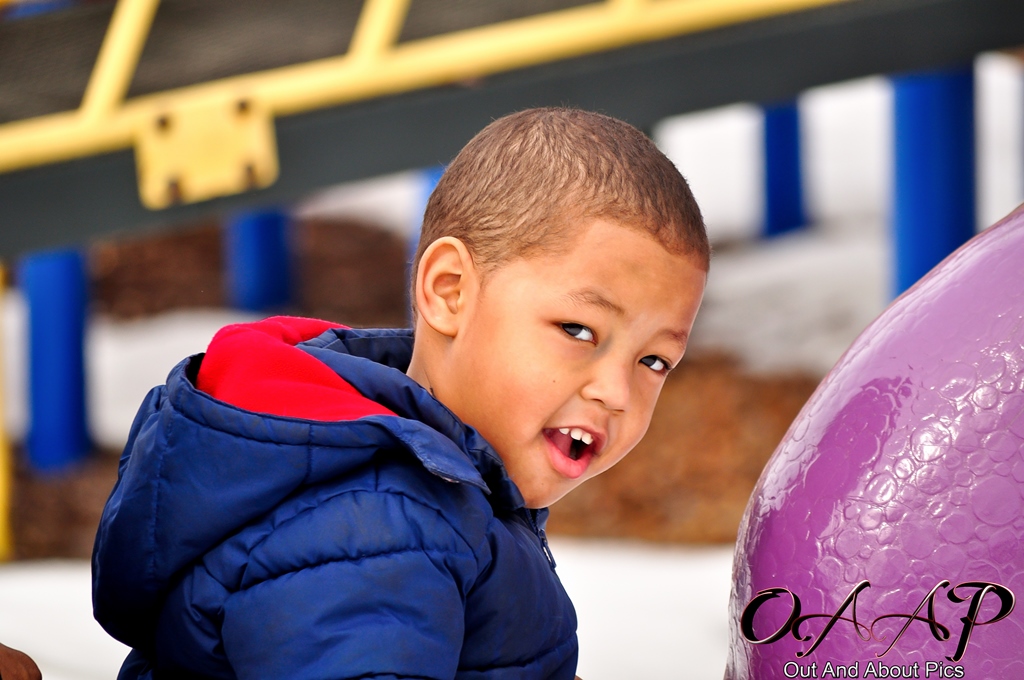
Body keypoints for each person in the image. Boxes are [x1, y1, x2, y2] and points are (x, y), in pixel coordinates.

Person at [92, 107, 710, 679]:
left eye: (654, 360)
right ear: (450, 291)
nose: (616, 391)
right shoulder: (378, 529)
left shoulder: (436, 496)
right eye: (578, 330)